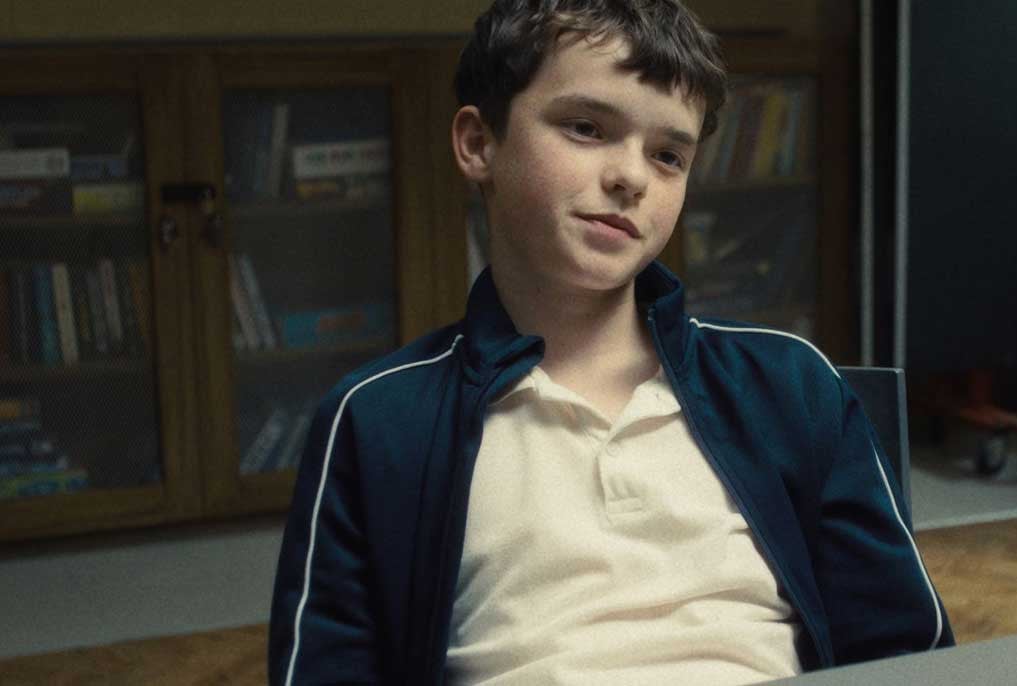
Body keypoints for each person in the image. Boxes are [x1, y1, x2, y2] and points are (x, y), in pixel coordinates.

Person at [269, 0, 955, 683]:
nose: (632, 177)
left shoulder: (787, 381)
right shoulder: (376, 418)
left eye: (668, 155)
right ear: (479, 144)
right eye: (586, 128)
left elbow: (909, 649)